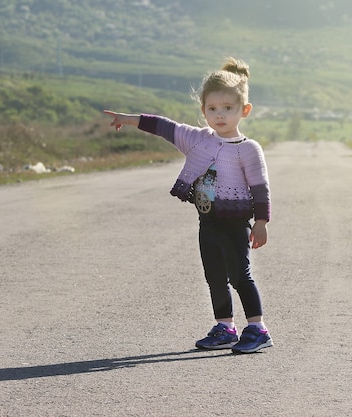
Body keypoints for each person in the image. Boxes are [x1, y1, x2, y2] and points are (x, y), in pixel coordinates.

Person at [103, 57, 273, 354]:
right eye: (212, 109)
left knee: (239, 275)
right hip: (208, 223)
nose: (220, 115)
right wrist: (130, 119)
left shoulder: (248, 149)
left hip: (235, 223)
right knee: (214, 276)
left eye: (228, 109)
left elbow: (260, 188)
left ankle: (257, 328)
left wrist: (261, 221)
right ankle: (225, 327)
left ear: (244, 110)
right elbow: (164, 126)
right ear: (204, 110)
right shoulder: (197, 140)